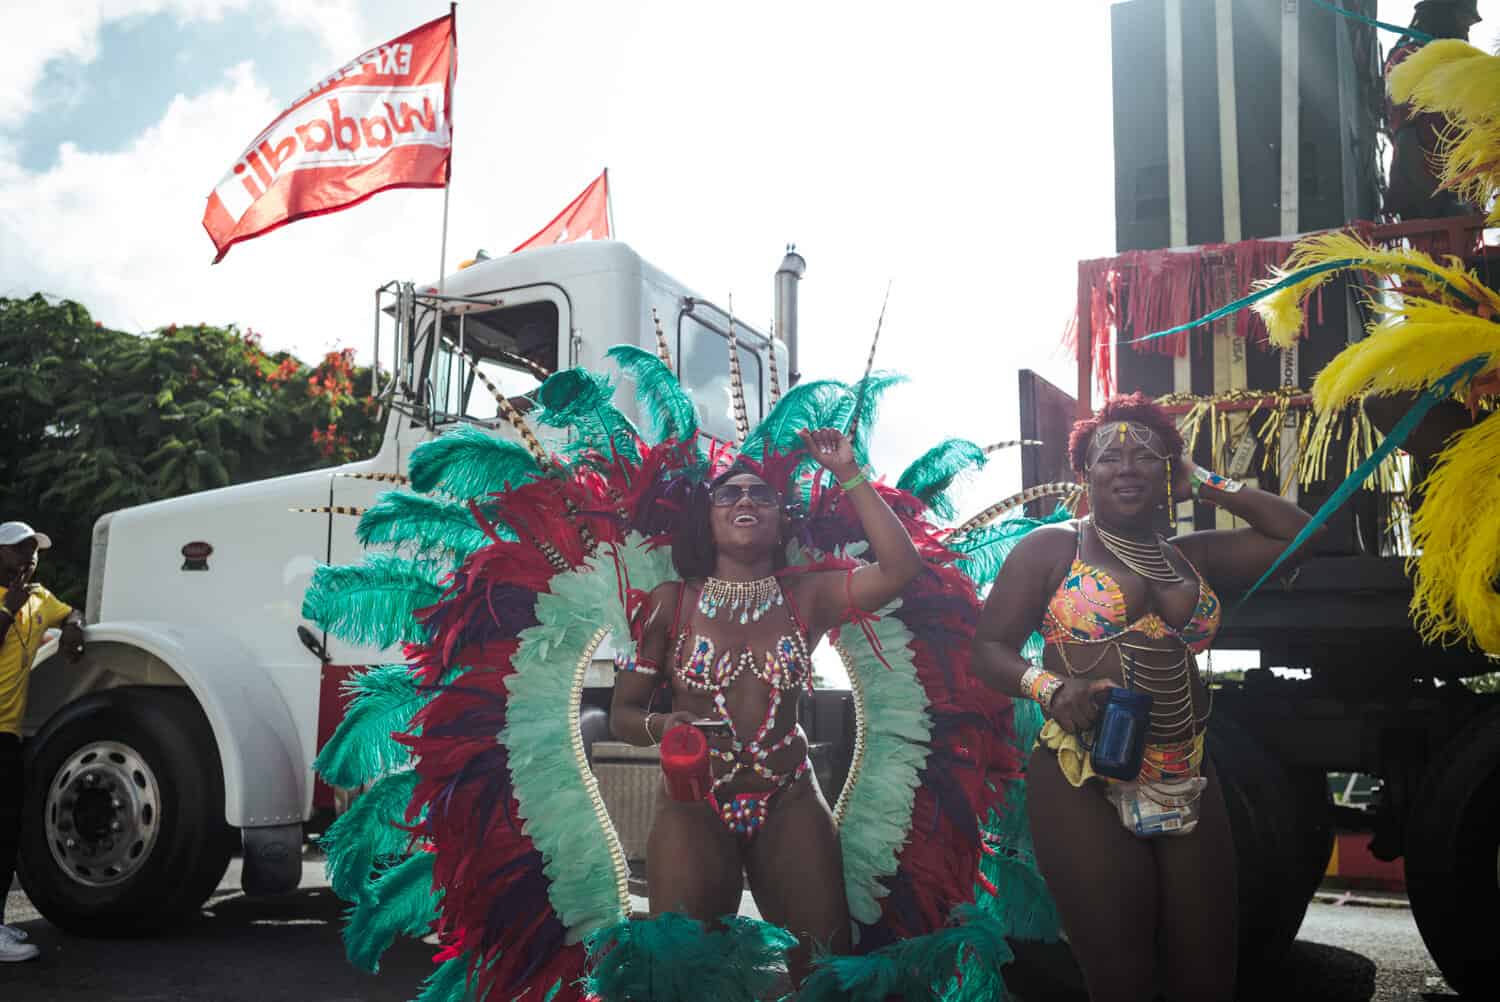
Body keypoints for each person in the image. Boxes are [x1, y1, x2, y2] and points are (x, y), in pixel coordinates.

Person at [970, 394, 1314, 1002]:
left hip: (1186, 770)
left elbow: (1297, 533)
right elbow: (988, 649)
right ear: (1085, 475)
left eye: (1145, 456)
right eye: (1108, 457)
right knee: (1121, 979)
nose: (1126, 466)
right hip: (1084, 773)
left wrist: (1204, 481)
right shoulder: (1053, 549)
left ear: (1167, 474)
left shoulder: (1192, 556)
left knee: (1209, 976)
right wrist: (1050, 689)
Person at [609, 427, 922, 985]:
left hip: (790, 797)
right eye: (729, 494)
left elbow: (901, 569)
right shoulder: (671, 604)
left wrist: (848, 472)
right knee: (681, 971)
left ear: (782, 521)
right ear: (707, 520)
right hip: (693, 803)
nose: (746, 500)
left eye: (762, 495)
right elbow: (623, 717)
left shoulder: (809, 595)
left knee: (824, 968)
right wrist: (662, 725)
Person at [0, 521, 86, 963]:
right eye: (19, 550)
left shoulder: (40, 598)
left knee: (6, 831)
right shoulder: (14, 600)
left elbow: (70, 611)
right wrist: (7, 610)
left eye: (34, 551)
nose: (29, 558)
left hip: (7, 733)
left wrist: (73, 627)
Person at [1384, 0, 1484, 220]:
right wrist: (1441, 203)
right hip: (1426, 201)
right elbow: (1410, 137)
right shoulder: (1410, 58)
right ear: (1443, 13)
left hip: (1459, 200)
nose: (1468, 25)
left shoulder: (1457, 64)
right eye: (1463, 17)